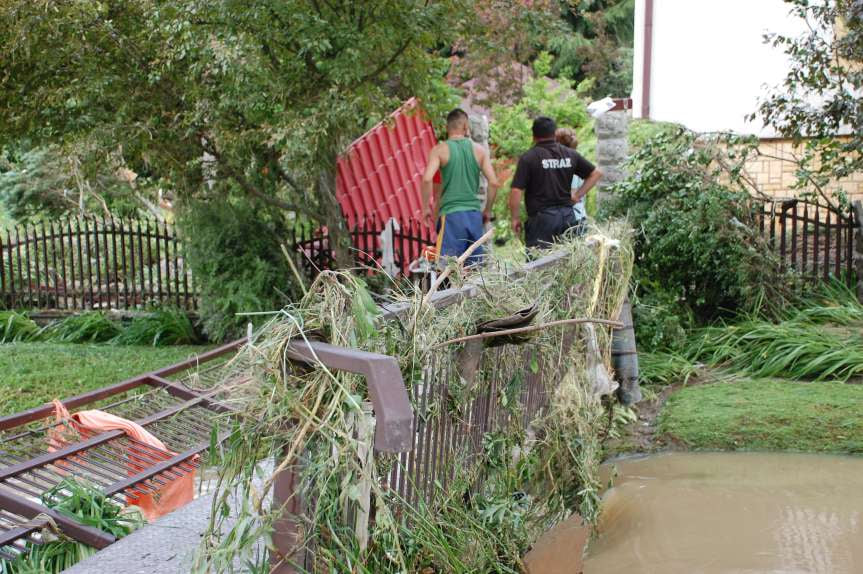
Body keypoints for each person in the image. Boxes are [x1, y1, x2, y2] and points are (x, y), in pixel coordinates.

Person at [509, 116, 602, 248]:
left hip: (542, 221)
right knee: (569, 263)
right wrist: (577, 195)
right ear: (554, 134)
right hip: (567, 217)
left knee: (540, 264)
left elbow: (516, 190)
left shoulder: (529, 158)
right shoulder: (570, 154)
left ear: (534, 136)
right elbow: (596, 173)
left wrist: (515, 218)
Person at [421, 108, 499, 265]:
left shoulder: (439, 150)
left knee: (448, 270)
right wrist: (487, 210)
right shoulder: (480, 151)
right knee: (475, 273)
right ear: (465, 127)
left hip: (451, 217)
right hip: (474, 216)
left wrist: (425, 209)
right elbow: (494, 183)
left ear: (447, 128)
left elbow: (427, 178)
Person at [554, 127, 587, 235]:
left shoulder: (567, 165)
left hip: (571, 220)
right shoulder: (576, 161)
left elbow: (572, 195)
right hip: (578, 216)